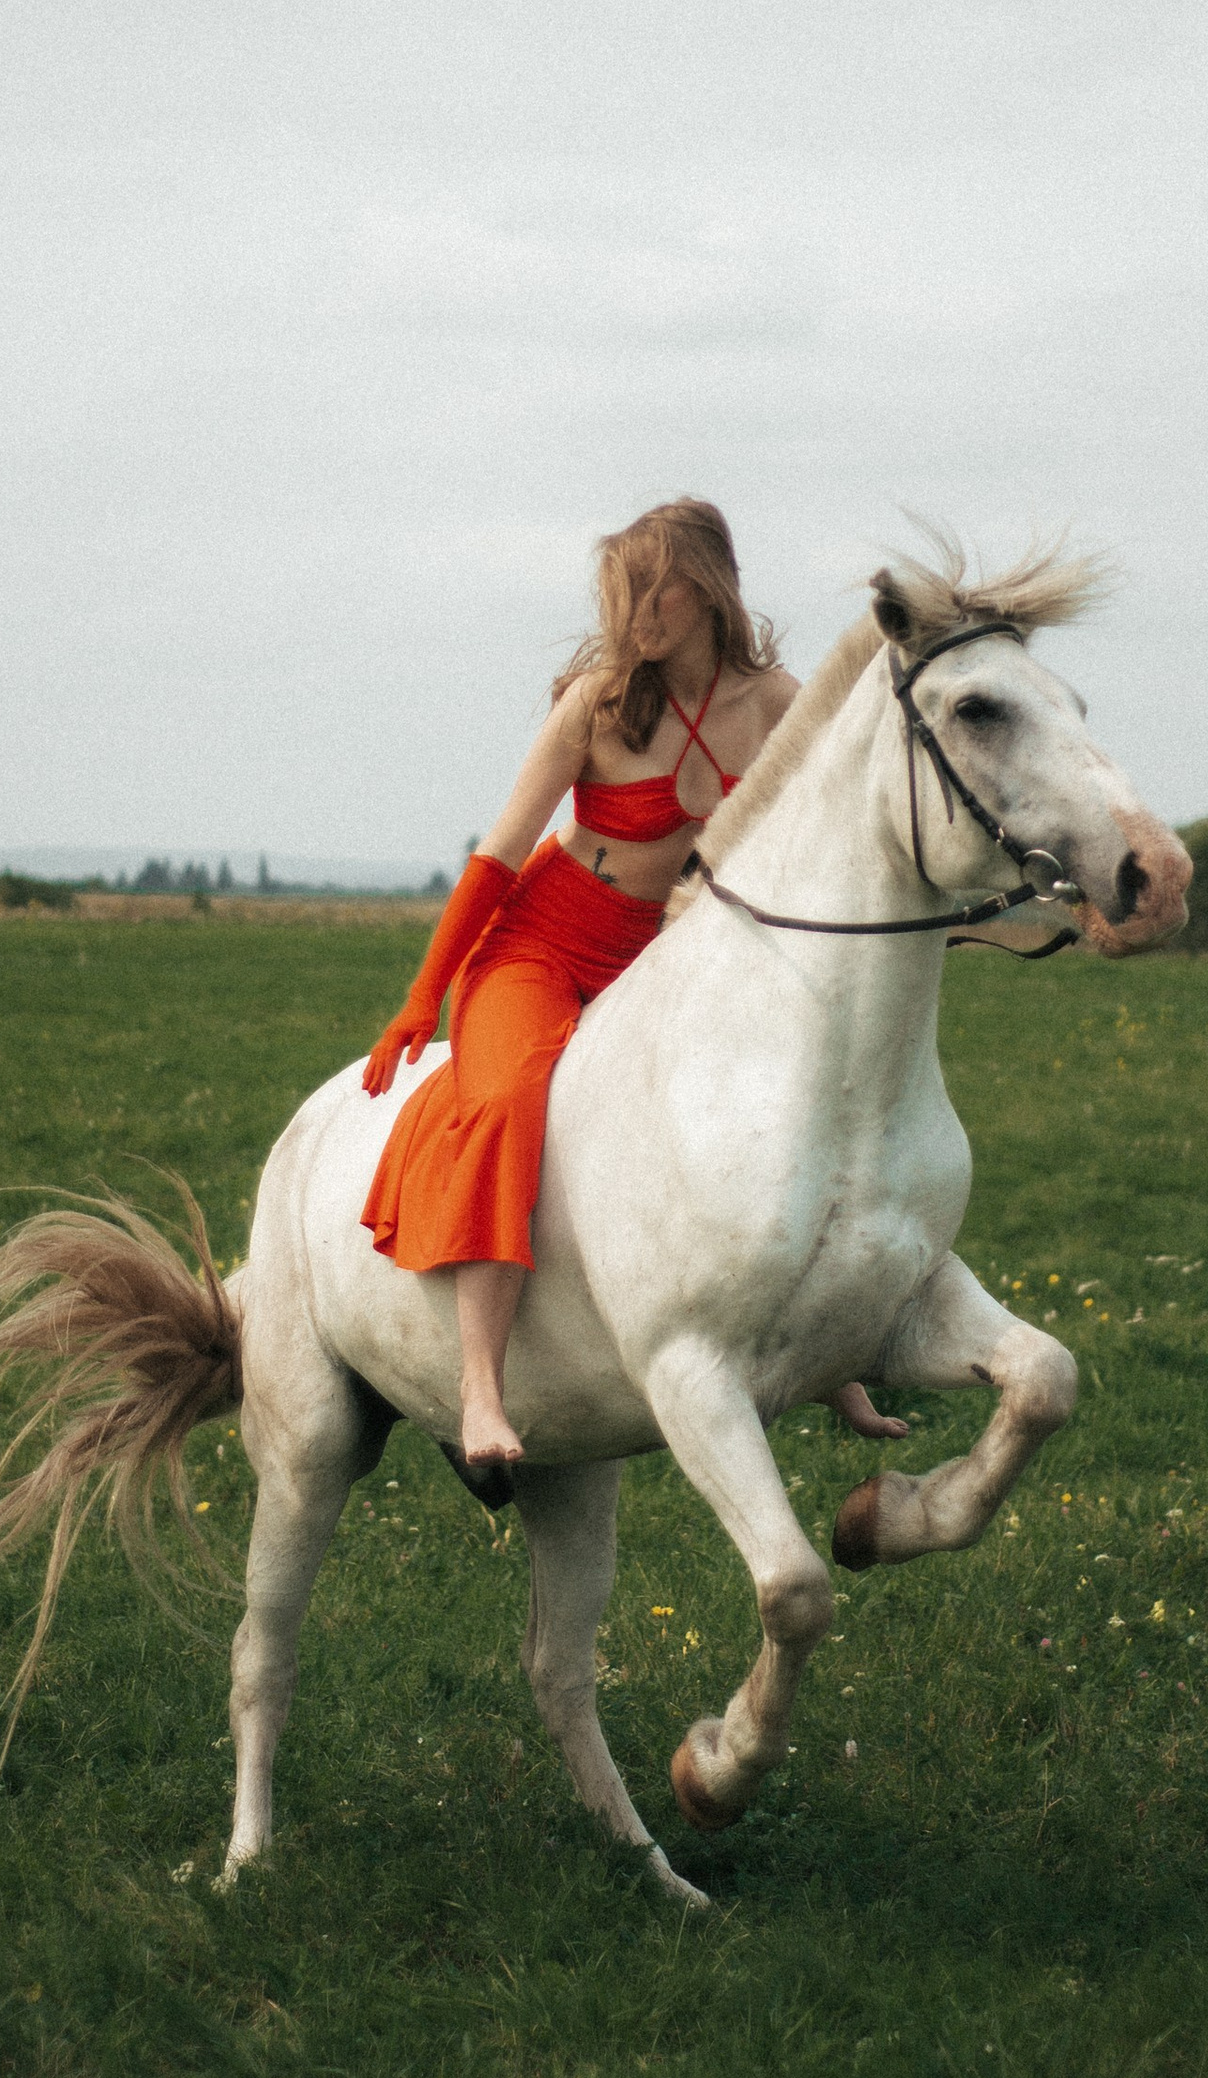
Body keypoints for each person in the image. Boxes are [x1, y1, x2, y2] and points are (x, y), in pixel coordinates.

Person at [360, 497, 912, 1471]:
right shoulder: (600, 700)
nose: (628, 613)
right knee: (510, 1098)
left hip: (662, 954)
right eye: (615, 592)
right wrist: (420, 995)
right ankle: (479, 1395)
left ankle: (831, 1359)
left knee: (779, 1098)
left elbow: (833, 828)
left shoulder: (778, 703)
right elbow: (497, 853)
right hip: (540, 942)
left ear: (701, 585)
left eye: (644, 588)